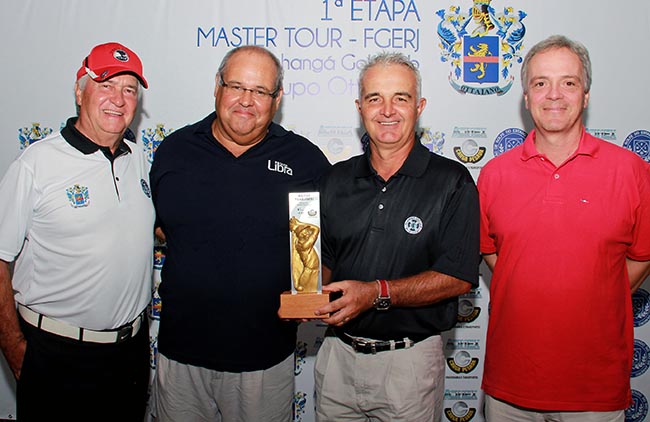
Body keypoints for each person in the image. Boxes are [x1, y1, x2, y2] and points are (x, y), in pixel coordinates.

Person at [149, 45, 330, 421]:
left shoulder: (305, 160)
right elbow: (160, 228)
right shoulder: (173, 152)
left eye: (261, 91)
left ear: (277, 99)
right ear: (217, 86)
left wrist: (311, 293)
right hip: (181, 354)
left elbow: (328, 244)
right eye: (236, 86)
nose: (247, 101)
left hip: (265, 359)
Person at [478, 35, 650, 421]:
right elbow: (491, 253)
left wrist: (593, 291)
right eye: (540, 83)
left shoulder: (632, 171)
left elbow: (641, 257)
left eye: (568, 82)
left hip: (595, 389)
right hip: (511, 385)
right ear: (526, 97)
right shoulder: (493, 175)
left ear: (585, 95)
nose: (554, 95)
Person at [312, 52, 481, 421]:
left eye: (400, 98)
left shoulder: (452, 181)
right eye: (375, 98)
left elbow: (458, 276)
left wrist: (375, 293)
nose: (387, 110)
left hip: (410, 365)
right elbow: (322, 263)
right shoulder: (335, 180)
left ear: (419, 106)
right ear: (360, 107)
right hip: (337, 358)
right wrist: (302, 294)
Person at [0, 42, 154, 421]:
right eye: (106, 84)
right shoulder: (37, 164)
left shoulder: (138, 159)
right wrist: (14, 346)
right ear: (79, 89)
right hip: (56, 353)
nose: (118, 99)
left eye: (129, 89)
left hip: (128, 353)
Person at [289, 217, 320, 292]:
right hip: (310, 270)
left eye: (305, 231)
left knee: (307, 290)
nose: (306, 233)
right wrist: (300, 223)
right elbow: (316, 229)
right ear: (299, 236)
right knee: (302, 289)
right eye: (302, 233)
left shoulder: (300, 243)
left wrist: (298, 225)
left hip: (313, 269)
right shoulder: (304, 245)